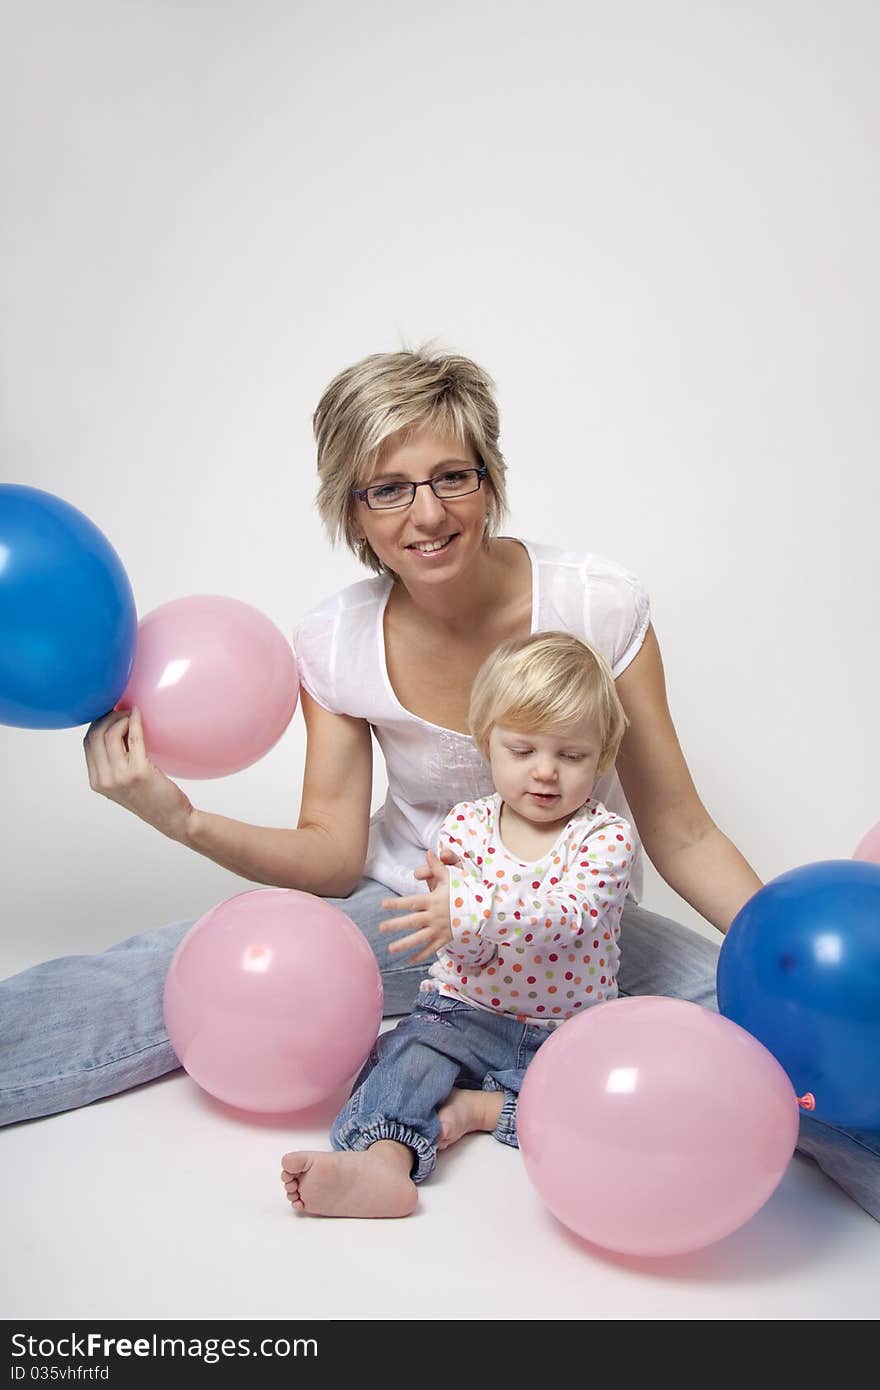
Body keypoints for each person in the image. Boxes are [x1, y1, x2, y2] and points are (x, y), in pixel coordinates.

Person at [1, 347, 877, 1224]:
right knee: (167, 970)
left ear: (489, 481)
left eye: (451, 476)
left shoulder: (598, 607)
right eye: (388, 487)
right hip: (416, 912)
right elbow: (334, 853)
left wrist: (789, 964)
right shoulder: (335, 643)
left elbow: (681, 832)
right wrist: (180, 816)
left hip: (571, 929)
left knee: (773, 1037)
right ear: (353, 508)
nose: (428, 513)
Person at [280, 630, 634, 1217]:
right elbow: (471, 953)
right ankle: (383, 1162)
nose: (545, 772)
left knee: (607, 1103)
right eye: (523, 751)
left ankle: (482, 1110)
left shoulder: (603, 837)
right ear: (487, 744)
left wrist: (473, 911)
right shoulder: (465, 828)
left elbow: (573, 915)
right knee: (408, 1052)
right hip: (469, 1010)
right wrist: (458, 931)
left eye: (570, 755)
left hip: (569, 1027)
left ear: (602, 756)